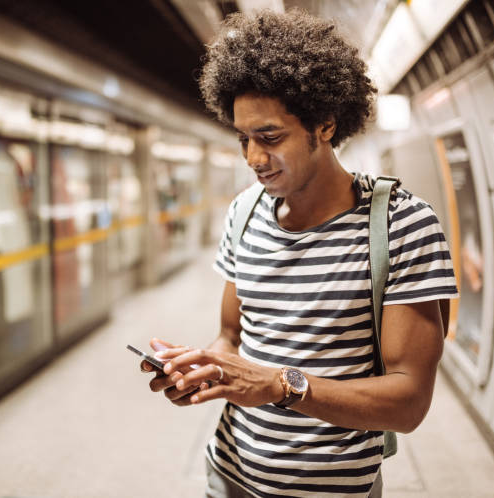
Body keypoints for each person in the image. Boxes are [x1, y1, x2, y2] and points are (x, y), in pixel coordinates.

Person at [141, 9, 458, 498]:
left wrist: (279, 385)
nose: (253, 160)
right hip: (229, 475)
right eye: (243, 139)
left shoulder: (402, 226)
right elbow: (230, 336)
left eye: (270, 138)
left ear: (325, 125)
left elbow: (408, 402)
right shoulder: (244, 213)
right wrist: (205, 370)